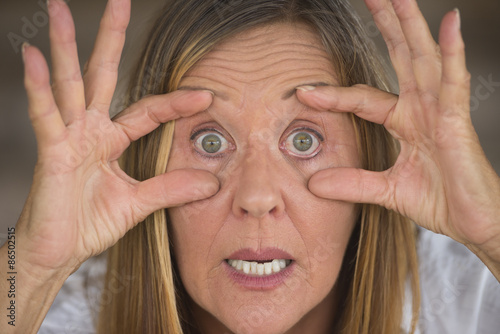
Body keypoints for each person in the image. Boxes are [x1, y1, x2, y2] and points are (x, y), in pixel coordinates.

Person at [1, 0, 499, 333]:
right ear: (150, 167)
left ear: (372, 163)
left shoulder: (466, 294)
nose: (257, 197)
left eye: (304, 139)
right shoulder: (57, 308)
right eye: (210, 140)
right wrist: (31, 268)